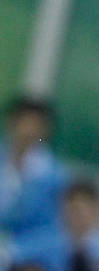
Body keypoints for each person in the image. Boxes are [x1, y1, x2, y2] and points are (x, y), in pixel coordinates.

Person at [0, 97, 69, 237]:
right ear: (11, 122)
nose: (28, 131)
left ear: (46, 131)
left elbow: (51, 226)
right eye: (24, 122)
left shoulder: (55, 177)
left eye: (36, 126)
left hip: (25, 245)